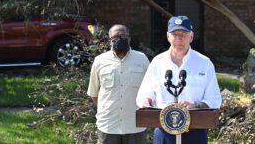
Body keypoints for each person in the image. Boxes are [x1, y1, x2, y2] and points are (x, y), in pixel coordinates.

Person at [136, 15, 222, 144]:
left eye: (183, 34)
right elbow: (144, 94)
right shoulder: (157, 62)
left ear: (191, 37)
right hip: (164, 130)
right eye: (175, 34)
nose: (179, 39)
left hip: (195, 131)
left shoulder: (204, 63)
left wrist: (196, 104)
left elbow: (215, 99)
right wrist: (146, 100)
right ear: (168, 37)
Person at [88, 24, 151, 144]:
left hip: (135, 125)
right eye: (116, 36)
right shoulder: (100, 61)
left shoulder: (142, 59)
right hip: (108, 125)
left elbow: (150, 89)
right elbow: (94, 93)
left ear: (129, 39)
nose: (120, 39)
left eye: (123, 36)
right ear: (109, 40)